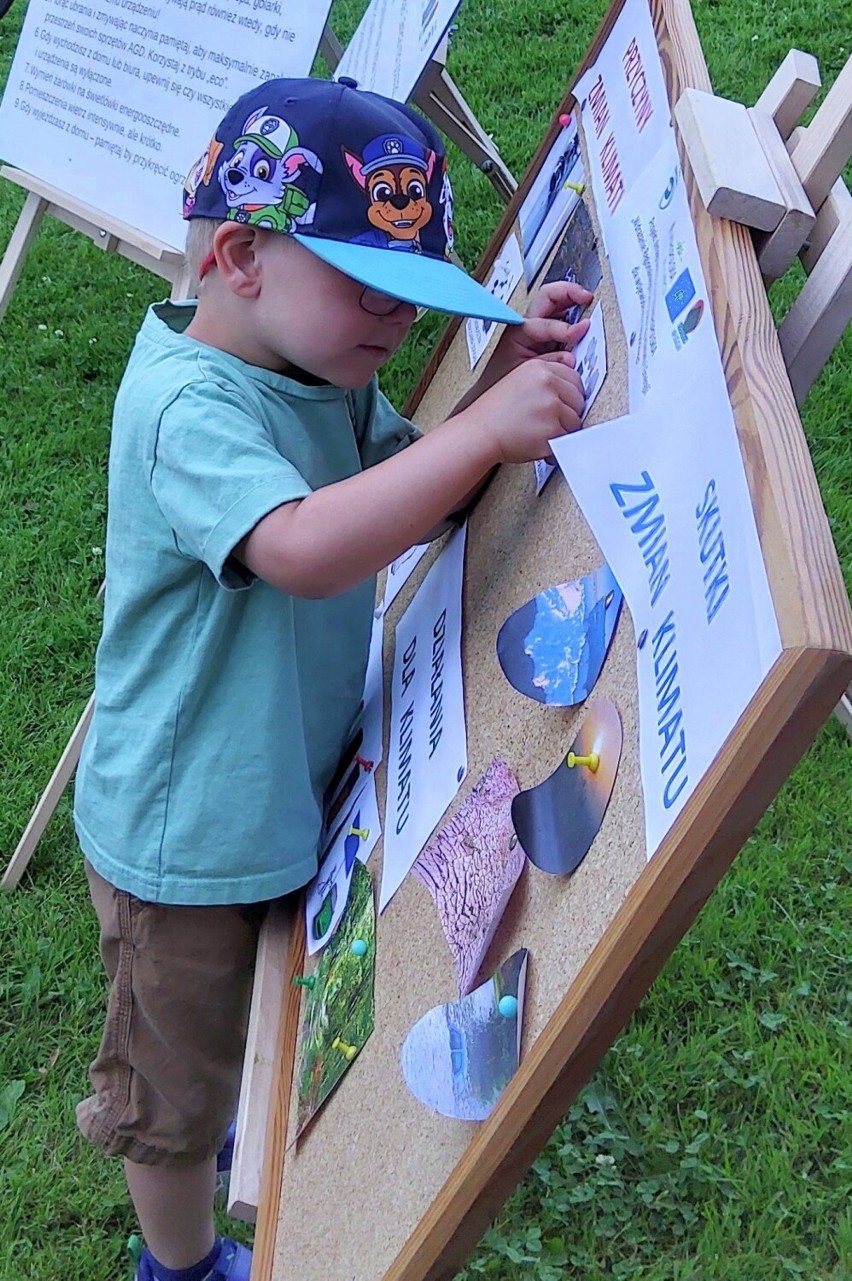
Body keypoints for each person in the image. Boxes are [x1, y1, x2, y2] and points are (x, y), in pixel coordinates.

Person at [73, 76, 592, 1281]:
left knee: (247, 1031)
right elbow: (305, 546)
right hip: (182, 838)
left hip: (273, 794)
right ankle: (181, 1260)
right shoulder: (184, 404)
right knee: (174, 1088)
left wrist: (490, 388)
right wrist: (484, 431)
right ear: (244, 256)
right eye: (371, 289)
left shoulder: (325, 375)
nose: (391, 326)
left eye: (413, 302)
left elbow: (405, 494)